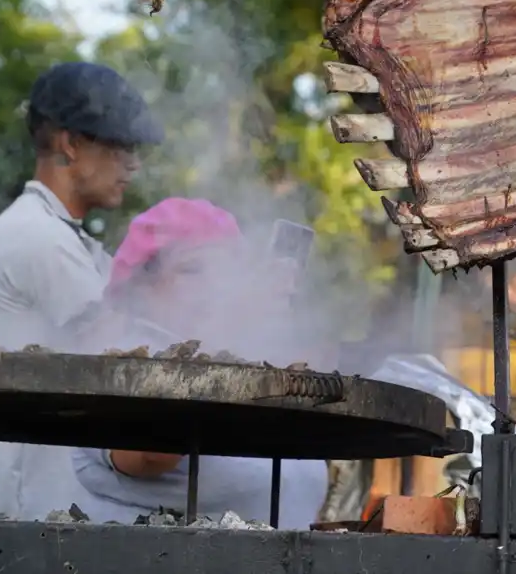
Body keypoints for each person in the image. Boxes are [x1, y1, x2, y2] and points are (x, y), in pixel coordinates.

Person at [0, 61, 165, 521]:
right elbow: (127, 343)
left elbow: (149, 307)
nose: (132, 163)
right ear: (70, 144)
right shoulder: (35, 235)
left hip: (44, 517)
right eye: (118, 145)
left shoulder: (68, 238)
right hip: (18, 517)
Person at [69, 198, 328, 528]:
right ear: (141, 286)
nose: (216, 286)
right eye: (193, 269)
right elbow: (151, 453)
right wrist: (236, 319)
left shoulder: (239, 358)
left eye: (227, 270)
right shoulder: (123, 357)